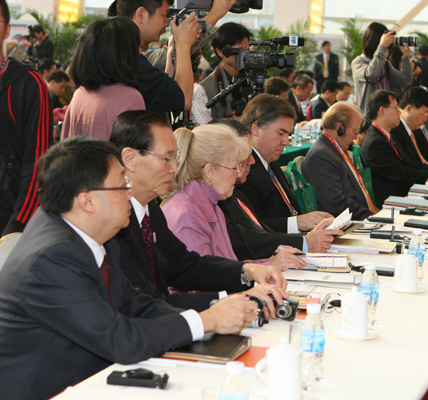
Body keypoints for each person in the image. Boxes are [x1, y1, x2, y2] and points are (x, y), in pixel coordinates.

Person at [0, 136, 260, 400]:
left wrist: (211, 315)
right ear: (87, 201)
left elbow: (135, 303)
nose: (130, 192)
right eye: (122, 185)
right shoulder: (52, 257)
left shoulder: (92, 231)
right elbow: (120, 340)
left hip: (93, 380)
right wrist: (205, 321)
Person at [110, 110, 287, 315]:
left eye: (175, 158)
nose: (174, 168)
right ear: (130, 158)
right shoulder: (113, 223)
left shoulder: (150, 210)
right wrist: (230, 301)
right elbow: (146, 302)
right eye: (166, 159)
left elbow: (186, 266)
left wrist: (247, 271)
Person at [162, 123, 307, 271]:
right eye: (234, 168)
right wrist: (268, 266)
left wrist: (269, 264)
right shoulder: (186, 216)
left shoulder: (210, 204)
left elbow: (228, 264)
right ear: (210, 172)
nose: (237, 174)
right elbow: (205, 278)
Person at [216, 119, 342, 260]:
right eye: (244, 153)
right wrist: (305, 241)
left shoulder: (235, 189)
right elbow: (243, 243)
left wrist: (307, 238)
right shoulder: (224, 193)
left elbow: (261, 232)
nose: (252, 160)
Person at [237, 94, 336, 233]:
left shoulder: (270, 162)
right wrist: (297, 223)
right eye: (281, 133)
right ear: (256, 128)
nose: (287, 142)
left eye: (288, 134)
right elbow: (253, 229)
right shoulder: (244, 171)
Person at [0, 0, 53, 235]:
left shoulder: (29, 84)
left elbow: (38, 162)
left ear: (7, 30)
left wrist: (17, 227)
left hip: (9, 221)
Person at [361, 90, 428, 207]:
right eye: (395, 108)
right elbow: (402, 175)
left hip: (403, 197)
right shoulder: (375, 143)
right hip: (392, 205)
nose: (399, 112)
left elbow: (411, 165)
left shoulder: (386, 135)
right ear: (382, 111)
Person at [61, 18, 145, 141]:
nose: (139, 53)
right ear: (124, 54)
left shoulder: (80, 94)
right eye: (136, 47)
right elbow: (134, 150)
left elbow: (64, 144)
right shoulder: (130, 97)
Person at [117, 0, 200, 114]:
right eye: (164, 15)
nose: (167, 23)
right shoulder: (131, 62)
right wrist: (183, 45)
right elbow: (184, 99)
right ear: (141, 15)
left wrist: (171, 53)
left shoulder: (120, 54)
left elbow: (161, 93)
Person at [303, 102, 377, 220]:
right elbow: (337, 204)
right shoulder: (321, 156)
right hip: (346, 223)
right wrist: (372, 217)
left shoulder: (335, 149)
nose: (355, 137)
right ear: (340, 128)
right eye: (354, 131)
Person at [351, 22, 411, 112]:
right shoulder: (358, 62)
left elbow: (404, 81)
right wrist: (382, 47)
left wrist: (405, 59)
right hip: (368, 117)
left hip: (385, 115)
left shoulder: (384, 63)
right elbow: (371, 74)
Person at [201, 22, 253, 119]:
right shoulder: (206, 88)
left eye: (246, 49)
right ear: (220, 52)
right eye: (239, 50)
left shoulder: (252, 79)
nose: (244, 54)